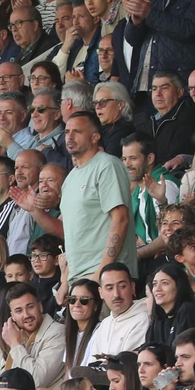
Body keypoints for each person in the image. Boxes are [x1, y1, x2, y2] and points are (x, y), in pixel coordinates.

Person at [59, 112, 134, 282]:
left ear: (95, 137)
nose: (69, 136)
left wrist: (101, 273)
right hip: (77, 278)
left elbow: (121, 219)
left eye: (77, 131)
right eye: (67, 132)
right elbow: (72, 232)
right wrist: (65, 280)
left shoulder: (107, 165)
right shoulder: (70, 178)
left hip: (107, 277)